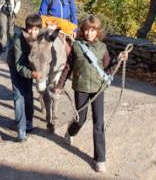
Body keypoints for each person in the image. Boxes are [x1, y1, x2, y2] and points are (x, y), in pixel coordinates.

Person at [53, 15, 128, 174]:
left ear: (97, 31)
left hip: (98, 89)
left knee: (98, 123)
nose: (89, 33)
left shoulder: (103, 48)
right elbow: (68, 67)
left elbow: (108, 70)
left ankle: (100, 159)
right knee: (80, 119)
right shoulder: (76, 46)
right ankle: (71, 131)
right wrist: (60, 85)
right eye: (86, 30)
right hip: (80, 87)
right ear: (82, 31)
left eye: (92, 30)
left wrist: (119, 60)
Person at [6, 14, 43, 142]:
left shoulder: (41, 37)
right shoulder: (18, 41)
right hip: (16, 67)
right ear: (26, 28)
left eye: (36, 29)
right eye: (30, 29)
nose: (33, 32)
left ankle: (28, 120)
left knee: (28, 94)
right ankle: (21, 129)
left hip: (30, 69)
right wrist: (31, 74)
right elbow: (18, 65)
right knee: (18, 97)